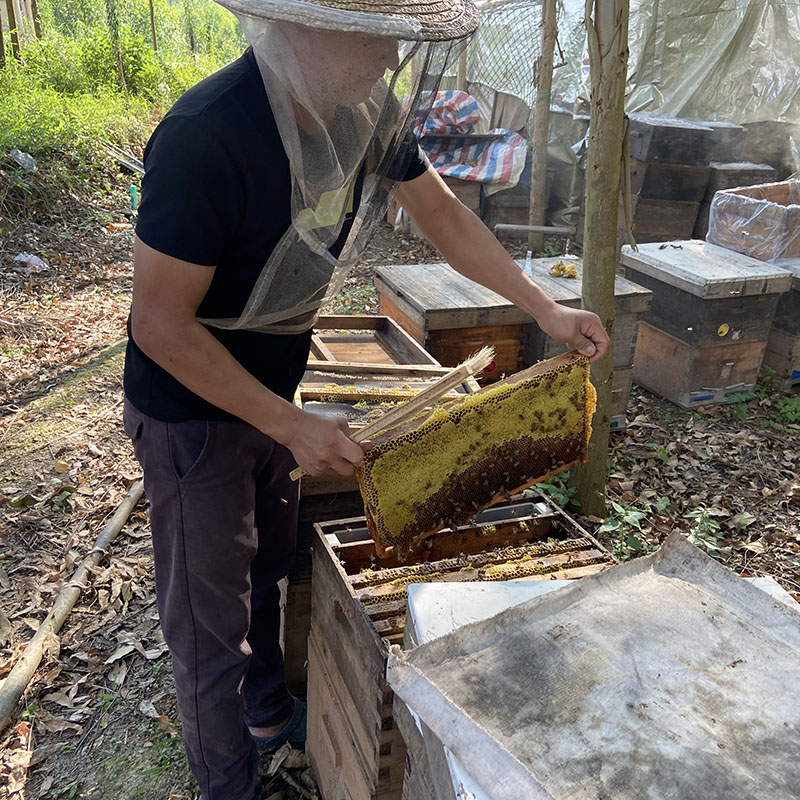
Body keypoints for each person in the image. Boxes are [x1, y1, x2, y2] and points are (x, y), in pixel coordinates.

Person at [122, 1, 609, 798]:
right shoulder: (204, 136)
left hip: (278, 392)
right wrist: (290, 425)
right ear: (301, 27)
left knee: (268, 564)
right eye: (375, 38)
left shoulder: (365, 113)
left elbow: (445, 217)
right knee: (207, 627)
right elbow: (161, 326)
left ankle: (267, 708)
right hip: (191, 414)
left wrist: (543, 306)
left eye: (398, 40)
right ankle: (229, 783)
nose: (390, 60)